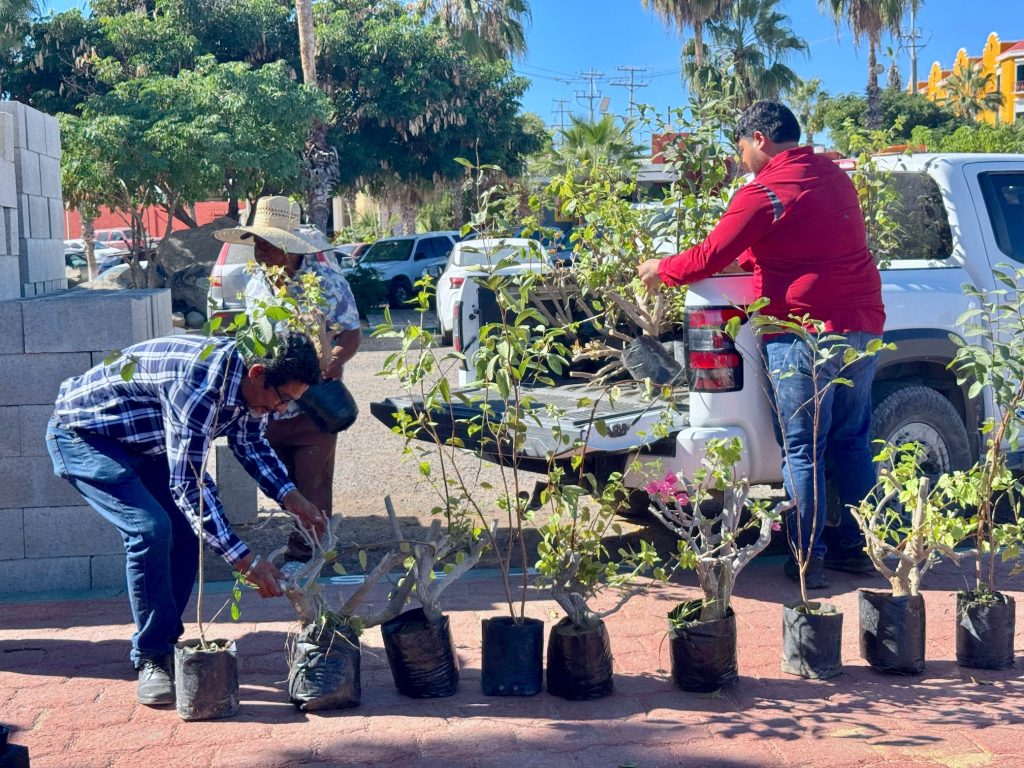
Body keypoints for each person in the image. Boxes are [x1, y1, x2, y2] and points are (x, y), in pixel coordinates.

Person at [637, 100, 885, 589]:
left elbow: (710, 255)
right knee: (852, 440)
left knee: (803, 448)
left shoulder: (765, 190)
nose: (742, 159)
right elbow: (798, 239)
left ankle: (807, 561)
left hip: (803, 331)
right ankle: (859, 551)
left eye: (742, 148)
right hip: (863, 325)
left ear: (759, 139)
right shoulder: (833, 176)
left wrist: (659, 270)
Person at [45, 332, 326, 706]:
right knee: (149, 530)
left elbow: (251, 444)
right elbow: (189, 487)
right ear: (257, 373)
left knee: (187, 532)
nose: (280, 410)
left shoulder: (251, 388)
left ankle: (164, 641)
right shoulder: (198, 384)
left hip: (148, 443)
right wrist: (246, 562)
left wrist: (292, 497)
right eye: (282, 398)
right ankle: (152, 655)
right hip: (86, 436)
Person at [215, 197, 362, 562]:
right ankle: (306, 548)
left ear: (290, 246)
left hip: (314, 409)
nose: (259, 253)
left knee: (313, 484)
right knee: (283, 485)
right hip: (269, 408)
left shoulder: (326, 282)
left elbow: (351, 333)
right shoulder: (255, 284)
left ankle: (307, 557)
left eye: (267, 245)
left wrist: (331, 362)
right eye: (257, 244)